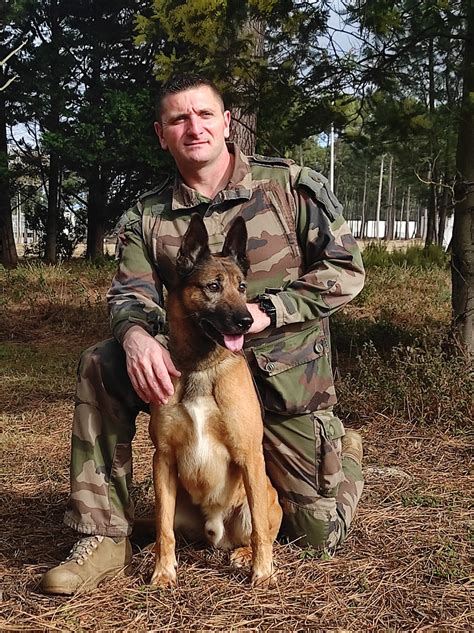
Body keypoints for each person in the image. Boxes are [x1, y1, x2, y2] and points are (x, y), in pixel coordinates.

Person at [40, 74, 365, 595]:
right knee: (101, 361)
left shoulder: (288, 188)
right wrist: (136, 335)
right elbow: (130, 294)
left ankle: (342, 456)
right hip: (188, 371)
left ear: (226, 122)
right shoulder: (146, 215)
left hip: (282, 388)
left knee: (316, 532)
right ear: (161, 133)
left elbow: (346, 270)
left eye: (205, 114)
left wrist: (271, 311)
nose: (194, 127)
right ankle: (101, 533)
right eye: (178, 119)